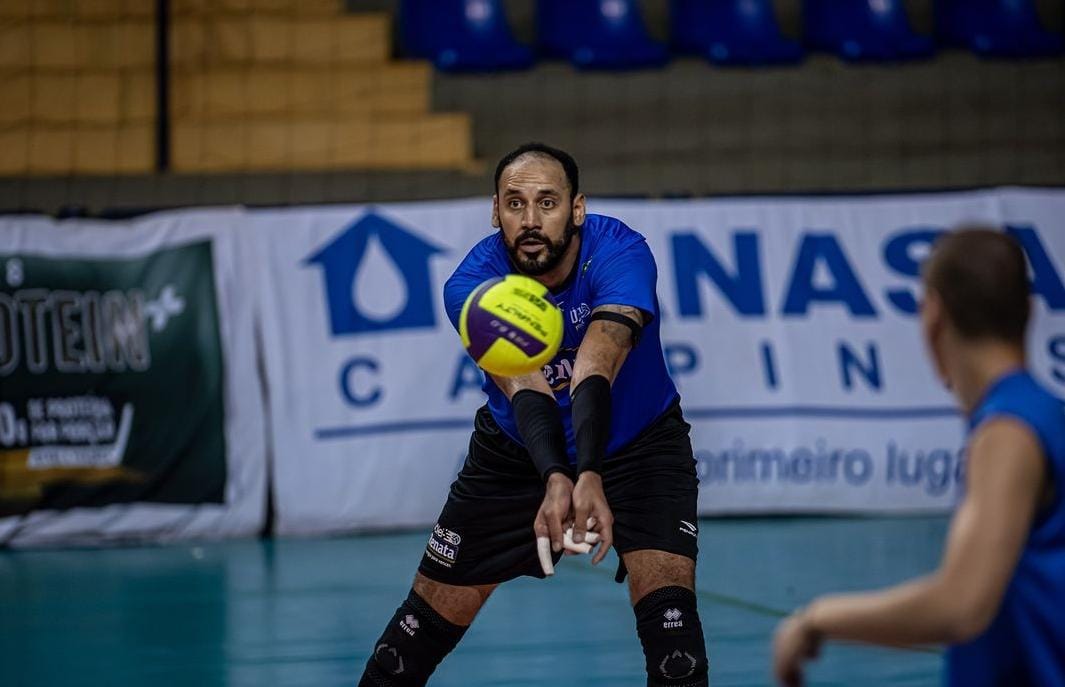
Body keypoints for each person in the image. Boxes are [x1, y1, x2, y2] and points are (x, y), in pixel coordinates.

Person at [357, 142, 709, 687]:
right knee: (404, 649)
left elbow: (596, 367)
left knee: (675, 647)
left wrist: (587, 473)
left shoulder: (619, 253)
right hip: (516, 453)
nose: (530, 220)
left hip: (640, 445)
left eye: (547, 203)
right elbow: (531, 390)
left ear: (577, 208)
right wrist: (556, 477)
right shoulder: (474, 288)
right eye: (515, 204)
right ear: (495, 211)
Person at [772, 228, 1065, 687]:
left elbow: (962, 605)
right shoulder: (1048, 415)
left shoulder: (1008, 431)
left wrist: (819, 618)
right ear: (1027, 313)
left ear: (933, 317)